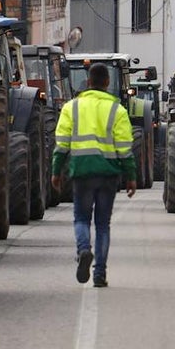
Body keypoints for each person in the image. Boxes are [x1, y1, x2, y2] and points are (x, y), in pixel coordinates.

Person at [50, 62, 137, 287]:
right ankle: (99, 274)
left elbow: (61, 144)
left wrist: (56, 171)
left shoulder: (72, 107)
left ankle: (83, 249)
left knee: (81, 218)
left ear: (88, 82)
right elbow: (125, 147)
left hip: (82, 172)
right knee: (102, 225)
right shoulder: (118, 110)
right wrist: (131, 176)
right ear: (107, 83)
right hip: (108, 174)